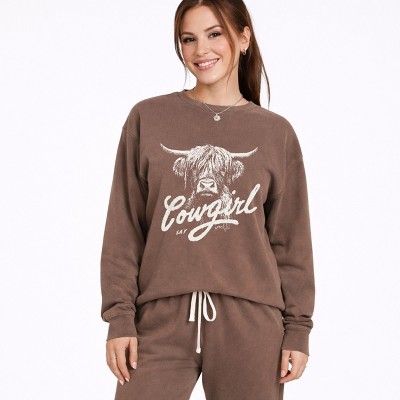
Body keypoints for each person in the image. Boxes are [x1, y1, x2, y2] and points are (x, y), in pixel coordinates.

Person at [100, 1, 315, 399]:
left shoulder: (275, 134)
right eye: (188, 39)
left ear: (244, 38)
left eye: (214, 34)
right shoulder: (148, 118)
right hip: (158, 320)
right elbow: (124, 228)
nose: (201, 50)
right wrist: (120, 318)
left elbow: (291, 241)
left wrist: (298, 328)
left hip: (251, 323)